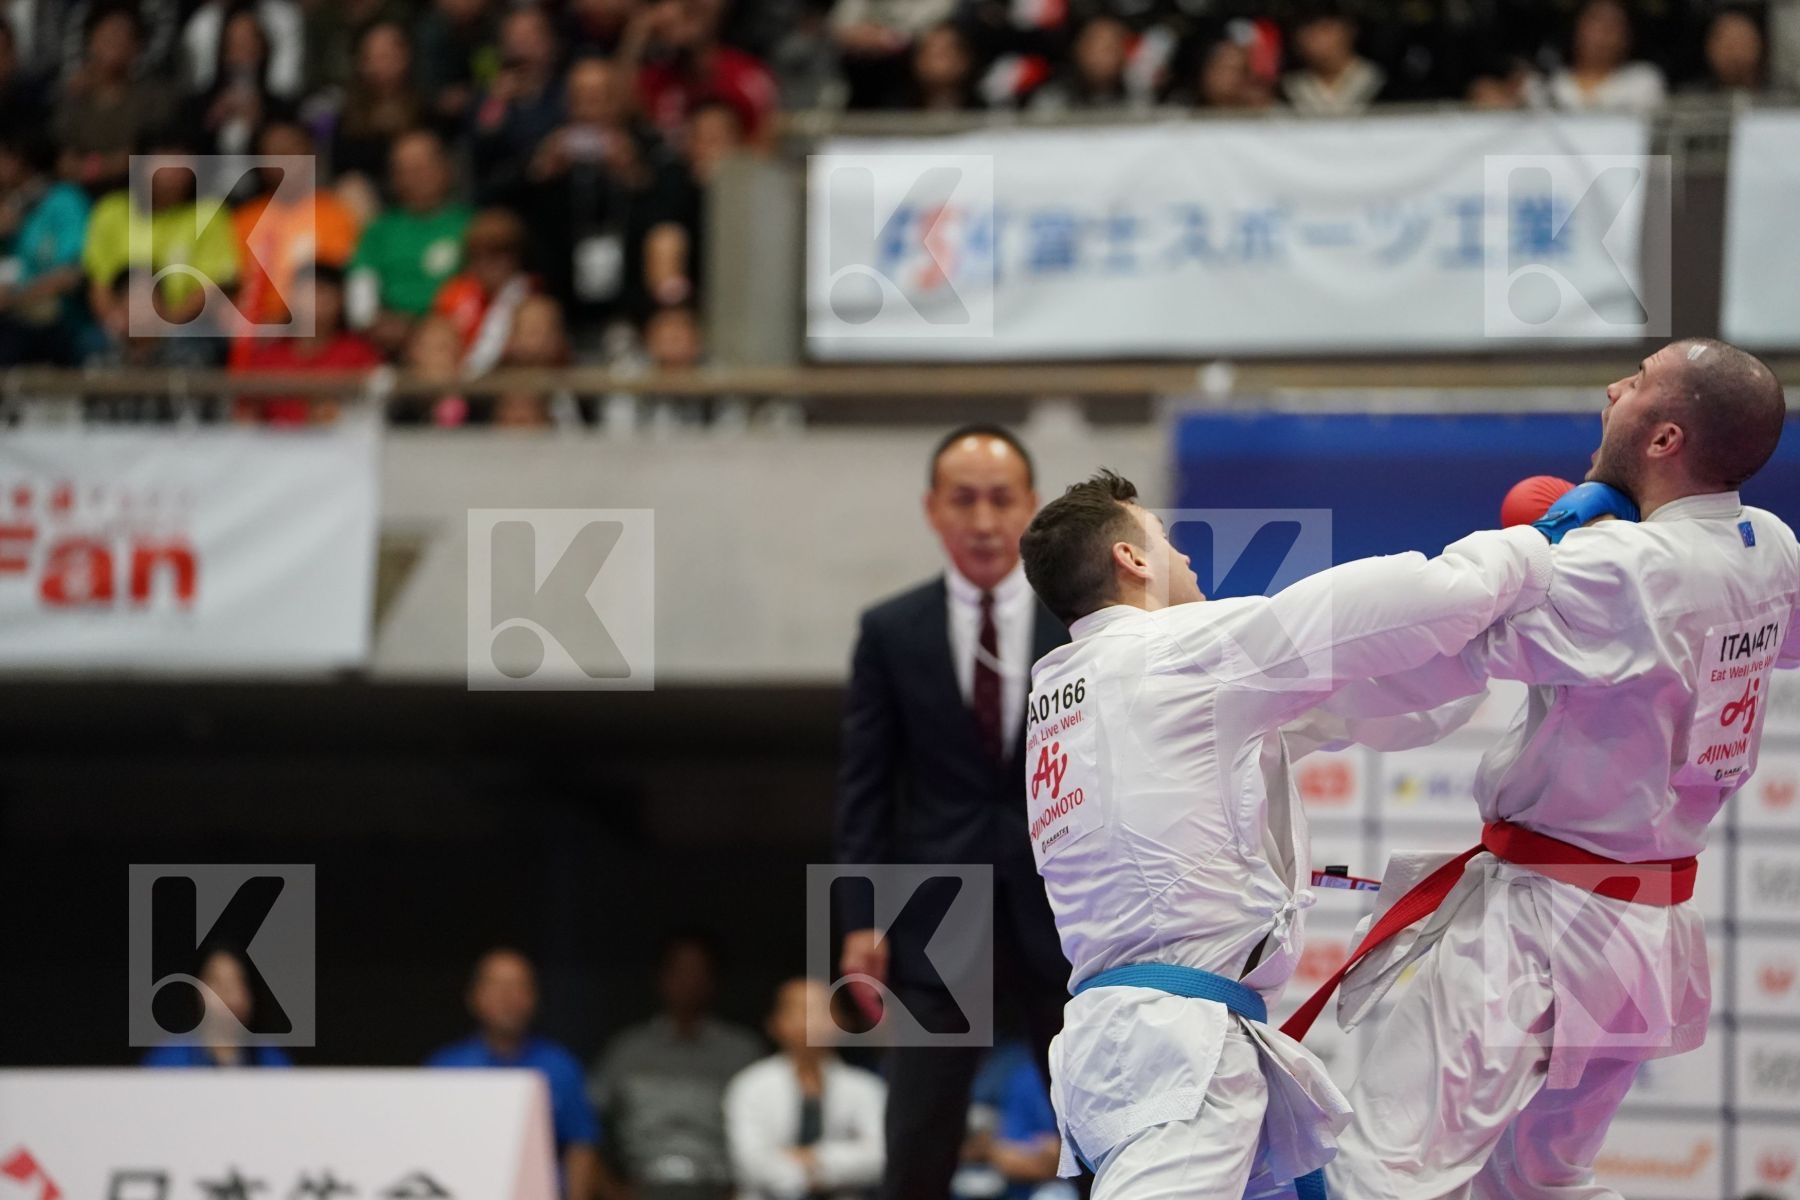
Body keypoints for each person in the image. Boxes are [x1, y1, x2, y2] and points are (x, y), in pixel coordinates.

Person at [1308, 340, 1798, 1199]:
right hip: (1650, 926)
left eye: (1638, 383)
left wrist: (1539, 544)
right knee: (1539, 1182)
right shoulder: (1771, 548)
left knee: (1384, 1173)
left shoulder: (1621, 568)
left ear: (1664, 438)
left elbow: (1449, 630)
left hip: (1539, 928)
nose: (1613, 389)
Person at [1017, 468, 1568, 1196]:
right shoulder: (1175, 653)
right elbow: (1368, 607)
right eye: (1168, 541)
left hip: (1137, 1042)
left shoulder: (1076, 690)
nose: (1187, 558)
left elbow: (1374, 702)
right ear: (1133, 560)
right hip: (1177, 1050)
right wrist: (1533, 553)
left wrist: (1487, 646)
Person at [835, 425, 1071, 1200]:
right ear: (933, 509)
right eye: (963, 500)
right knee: (916, 1145)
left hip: (1068, 910)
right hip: (934, 910)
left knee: (1103, 1131)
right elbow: (864, 789)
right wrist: (856, 920)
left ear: (1031, 509)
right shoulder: (889, 631)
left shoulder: (1080, 623)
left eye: (1001, 500)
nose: (982, 521)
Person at [590, 931, 764, 1200]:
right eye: (679, 971)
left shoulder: (742, 1051)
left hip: (719, 1188)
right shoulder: (626, 1051)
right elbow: (589, 1127)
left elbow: (767, 1132)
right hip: (643, 1185)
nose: (689, 981)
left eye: (699, 971)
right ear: (660, 978)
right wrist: (612, 1190)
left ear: (714, 980)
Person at [427, 948, 609, 1200]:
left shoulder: (560, 1066)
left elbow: (581, 1145)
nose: (507, 997)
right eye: (496, 986)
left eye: (518, 986)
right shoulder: (447, 1067)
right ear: (475, 996)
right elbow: (429, 1146)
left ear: (534, 998)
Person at [723, 978, 886, 1200]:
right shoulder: (750, 1085)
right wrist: (834, 1167)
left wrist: (812, 1158)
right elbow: (750, 1164)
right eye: (801, 1010)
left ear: (841, 1022)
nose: (813, 1021)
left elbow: (880, 1158)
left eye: (823, 1010)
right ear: (775, 1023)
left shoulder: (867, 1088)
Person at [346, 128, 472, 355]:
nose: (418, 176)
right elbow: (360, 297)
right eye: (407, 170)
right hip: (390, 341)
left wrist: (423, 328)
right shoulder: (378, 231)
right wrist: (372, 322)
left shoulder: (472, 225)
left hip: (458, 336)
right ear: (395, 179)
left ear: (446, 168)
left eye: (425, 166)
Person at [142, 947, 295, 1068]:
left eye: (236, 983)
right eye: (217, 983)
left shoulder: (272, 1061)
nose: (227, 995)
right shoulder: (167, 1061)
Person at [1536, 0, 1666, 113]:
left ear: (1628, 36)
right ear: (1576, 29)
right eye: (1595, 24)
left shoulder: (1643, 79)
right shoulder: (1552, 83)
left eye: (1613, 27)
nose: (1603, 35)